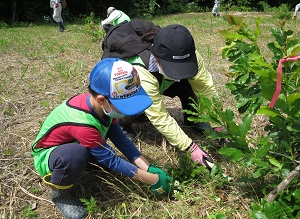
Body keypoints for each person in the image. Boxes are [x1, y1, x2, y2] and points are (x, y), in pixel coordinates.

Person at [31, 58, 173, 219]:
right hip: (51, 155)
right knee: (75, 155)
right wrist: (152, 180)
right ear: (101, 99)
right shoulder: (83, 123)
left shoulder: (104, 107)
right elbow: (111, 160)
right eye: (123, 105)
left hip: (80, 143)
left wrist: (147, 167)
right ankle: (61, 194)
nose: (127, 111)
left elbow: (120, 139)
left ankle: (85, 161)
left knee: (101, 155)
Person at [102, 20, 225, 171]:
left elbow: (206, 89)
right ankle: (124, 124)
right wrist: (191, 148)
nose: (179, 74)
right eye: (173, 69)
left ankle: (193, 118)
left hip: (161, 78)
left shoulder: (189, 54)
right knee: (133, 102)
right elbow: (159, 116)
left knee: (189, 83)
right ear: (156, 58)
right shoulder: (139, 69)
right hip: (135, 83)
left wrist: (218, 124)